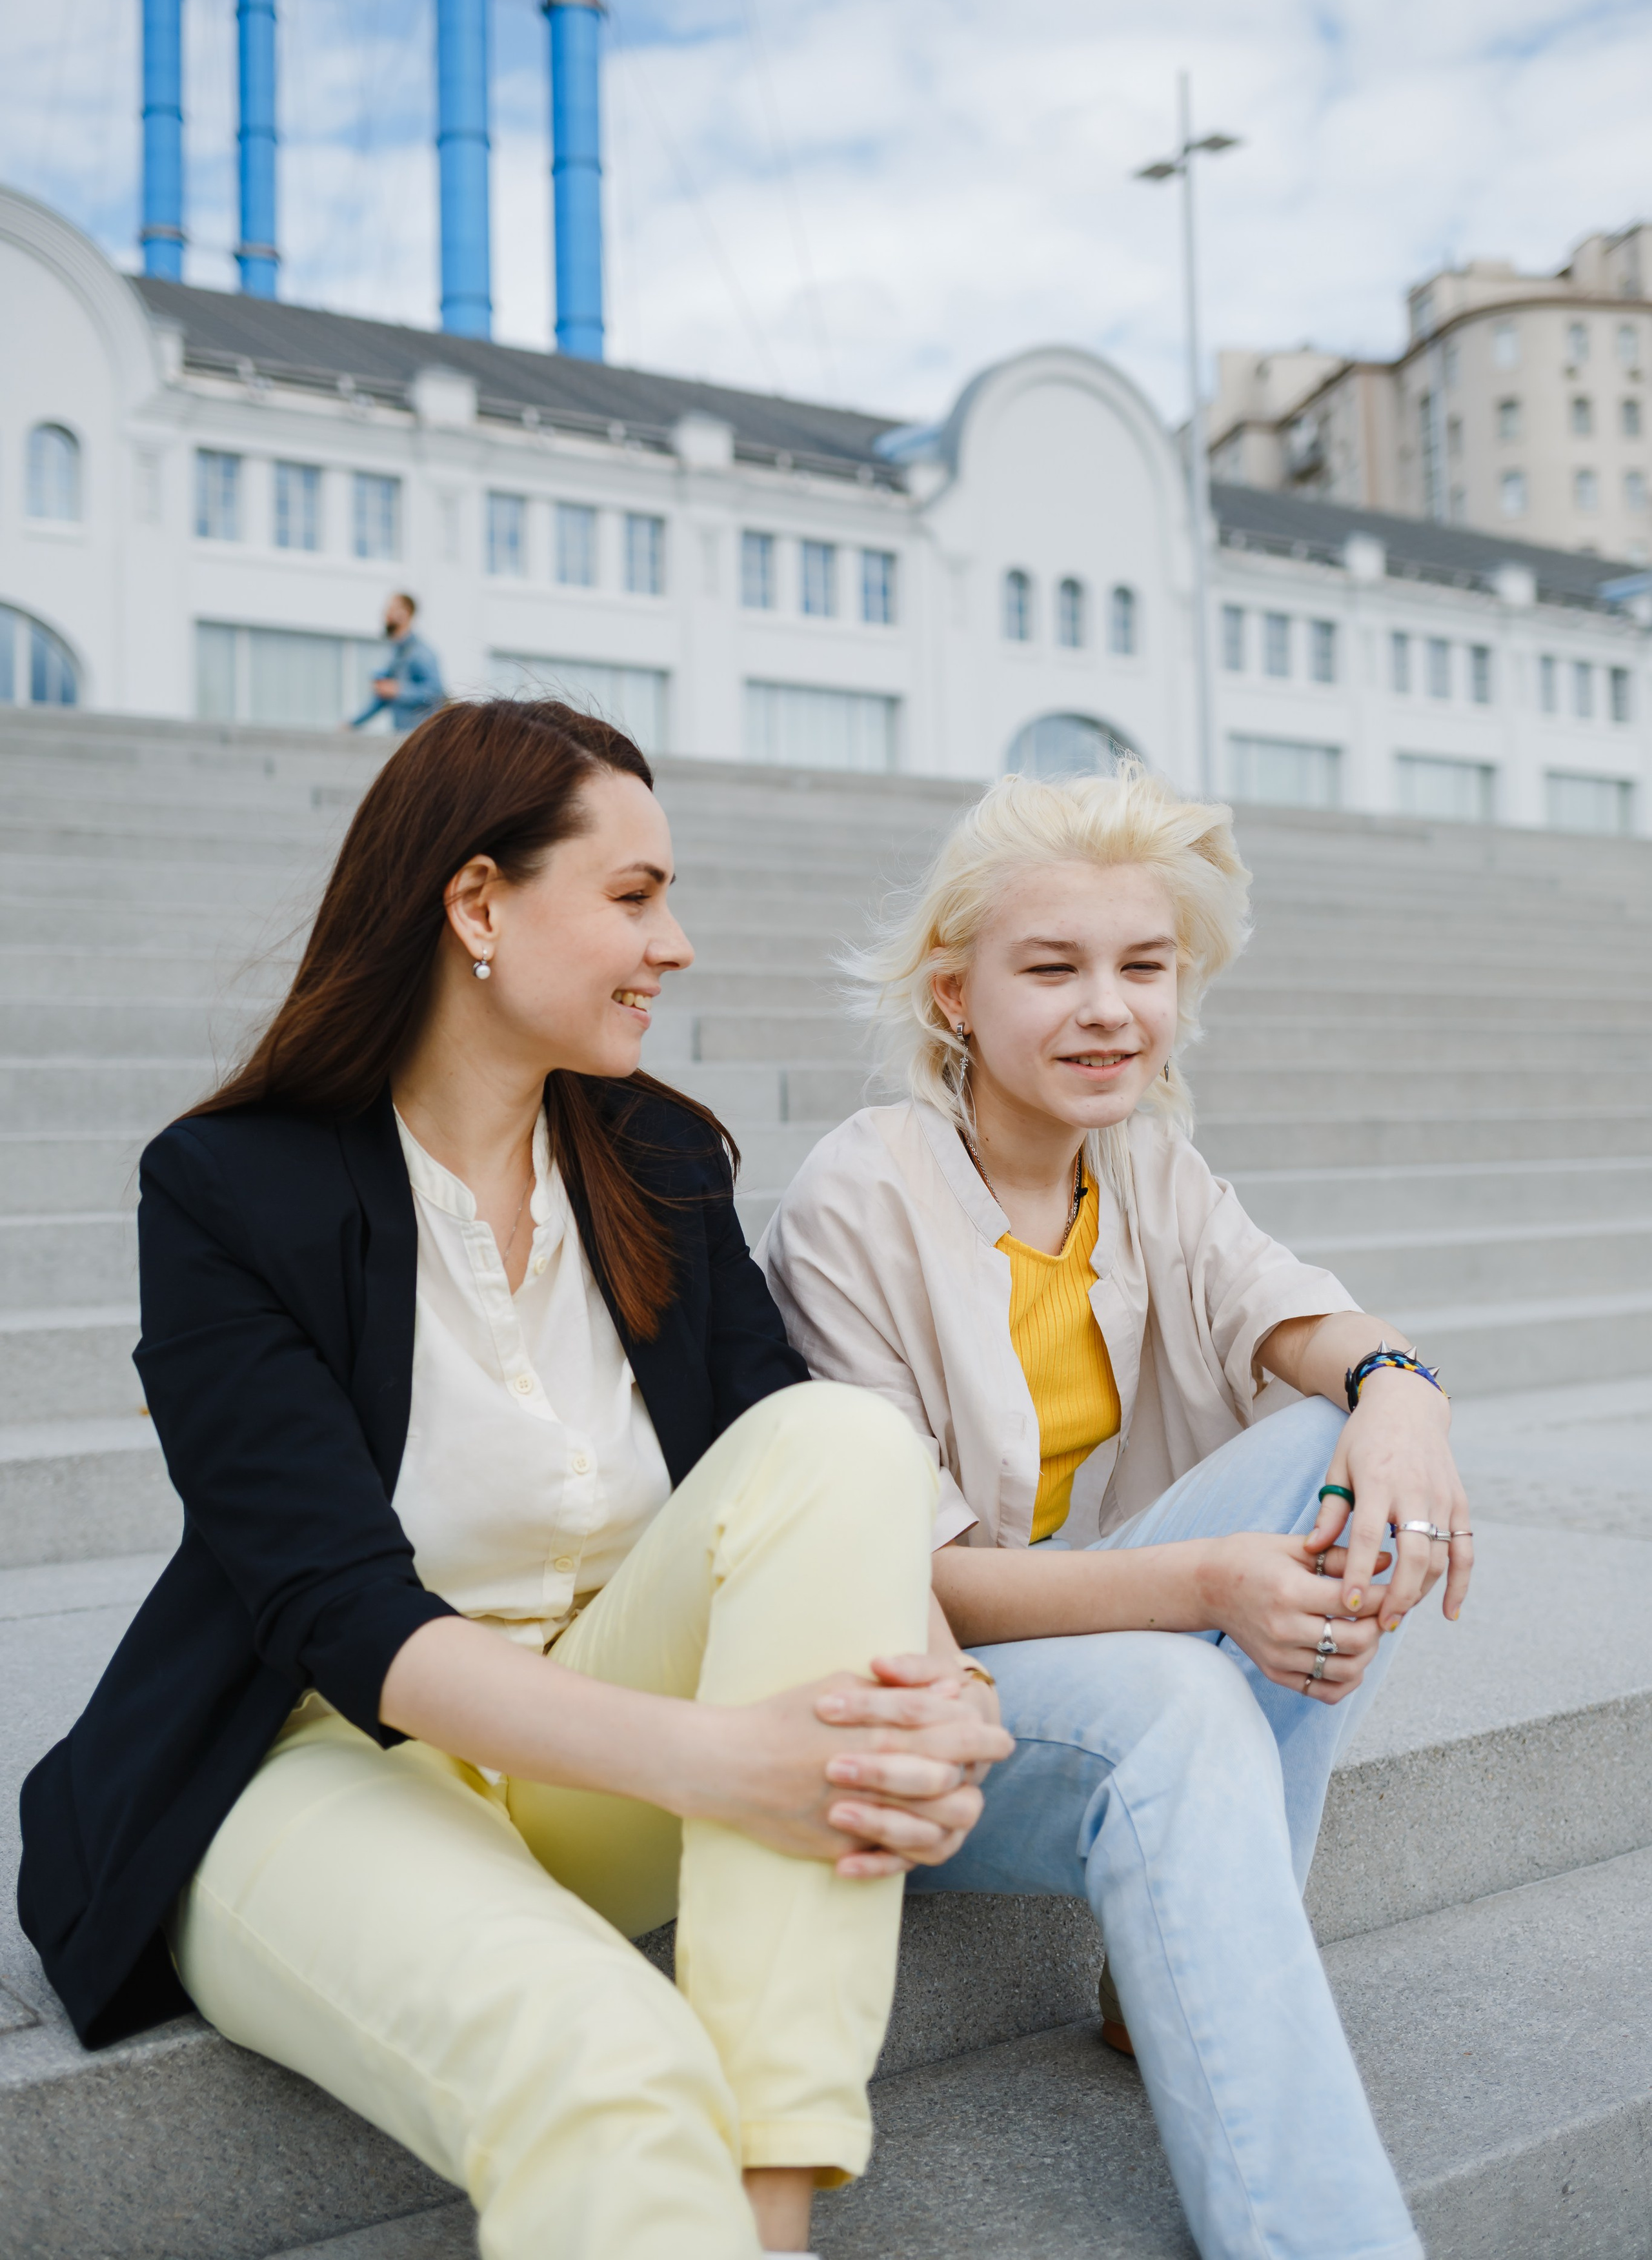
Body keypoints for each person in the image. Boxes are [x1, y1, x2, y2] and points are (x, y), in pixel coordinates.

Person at [17, 697, 1012, 2260]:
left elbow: (789, 1452)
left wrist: (939, 1691)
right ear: (476, 903)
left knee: (844, 1435)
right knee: (610, 2064)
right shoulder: (228, 1189)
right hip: (318, 1761)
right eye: (633, 895)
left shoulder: (659, 1159)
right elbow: (340, 1614)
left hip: (589, 1750)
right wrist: (722, 1761)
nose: (674, 944)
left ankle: (773, 2195)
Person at [760, 763, 1473, 2260]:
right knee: (1179, 1693)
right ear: (952, 995)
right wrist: (1208, 1584)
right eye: (1051, 969)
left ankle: (1199, 1941)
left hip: (1112, 1619)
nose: (1107, 1010)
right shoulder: (854, 1198)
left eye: (1141, 966)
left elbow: (1299, 1315)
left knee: (1342, 1438)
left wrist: (1403, 1390)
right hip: (932, 1692)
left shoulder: (1143, 1162)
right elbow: (913, 1576)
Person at [349, 590, 446, 730]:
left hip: (423, 736)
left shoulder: (422, 653)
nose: (385, 615)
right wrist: (352, 724)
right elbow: (382, 698)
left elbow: (436, 694)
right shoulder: (395, 653)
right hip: (401, 737)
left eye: (390, 609)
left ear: (404, 614)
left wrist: (399, 690)